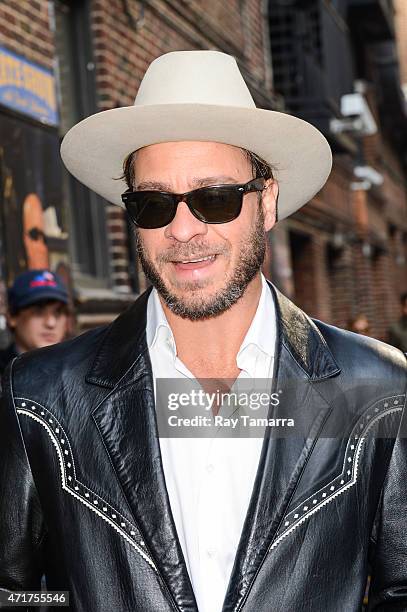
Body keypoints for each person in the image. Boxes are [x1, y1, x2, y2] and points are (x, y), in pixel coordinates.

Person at [0, 51, 406, 612]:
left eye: (215, 198)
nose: (183, 230)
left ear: (266, 202)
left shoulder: (378, 390)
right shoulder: (39, 396)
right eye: (154, 204)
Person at [0, 269, 70, 376]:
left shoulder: (80, 368)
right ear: (12, 317)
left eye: (58, 313)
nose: (51, 323)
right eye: (38, 312)